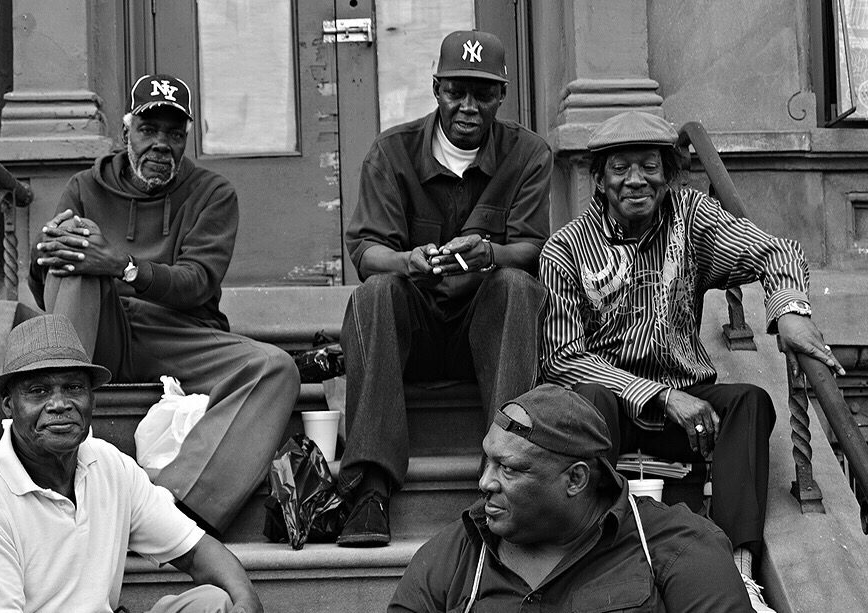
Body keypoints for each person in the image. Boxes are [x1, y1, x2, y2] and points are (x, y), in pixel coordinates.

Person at [539, 110, 845, 612]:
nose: (635, 180)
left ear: (669, 173)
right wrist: (658, 395)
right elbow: (562, 360)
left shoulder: (692, 217)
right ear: (598, 178)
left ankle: (736, 567)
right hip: (612, 403)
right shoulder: (566, 248)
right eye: (620, 168)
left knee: (750, 402)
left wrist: (789, 311)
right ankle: (595, 561)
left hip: (688, 401)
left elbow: (775, 250)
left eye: (649, 166)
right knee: (586, 400)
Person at [27, 74, 300, 535]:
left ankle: (172, 509)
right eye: (149, 130)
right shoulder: (83, 187)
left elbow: (197, 282)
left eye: (174, 134)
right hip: (101, 330)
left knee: (276, 367)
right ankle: (50, 470)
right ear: (126, 130)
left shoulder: (212, 192)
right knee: (71, 258)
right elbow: (46, 279)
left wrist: (122, 264)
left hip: (179, 332)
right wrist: (55, 253)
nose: (161, 144)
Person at [335, 29, 551, 547]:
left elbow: (534, 249)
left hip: (482, 336)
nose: (469, 106)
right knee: (375, 293)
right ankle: (369, 488)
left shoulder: (528, 154)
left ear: (502, 95)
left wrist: (491, 255)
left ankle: (506, 482)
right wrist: (409, 261)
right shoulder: (393, 151)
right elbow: (366, 252)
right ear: (436, 89)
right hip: (412, 335)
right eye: (457, 91)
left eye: (483, 93)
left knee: (519, 287)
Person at [0, 314, 263, 613]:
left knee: (214, 602)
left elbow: (195, 550)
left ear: (92, 399)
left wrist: (247, 601)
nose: (59, 404)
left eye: (73, 387)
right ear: (8, 405)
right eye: (38, 391)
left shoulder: (109, 466)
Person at [389, 384, 756, 612]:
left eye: (509, 469)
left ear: (575, 479)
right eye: (487, 461)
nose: (485, 482)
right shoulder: (458, 552)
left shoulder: (675, 544)